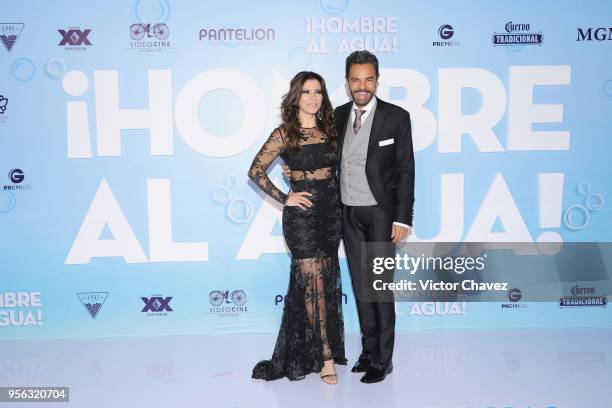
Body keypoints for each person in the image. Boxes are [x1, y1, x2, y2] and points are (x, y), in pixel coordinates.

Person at [284, 50, 415, 384]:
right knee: (360, 285)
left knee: (379, 287)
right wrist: (293, 170)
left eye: (368, 79)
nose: (362, 86)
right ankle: (368, 352)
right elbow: (316, 151)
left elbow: (405, 171)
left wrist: (403, 219)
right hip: (345, 213)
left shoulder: (396, 117)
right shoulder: (338, 116)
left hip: (382, 216)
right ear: (347, 83)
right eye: (355, 80)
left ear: (377, 80)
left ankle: (383, 360)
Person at [248, 71, 347, 385]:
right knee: (311, 284)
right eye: (306, 92)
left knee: (326, 282)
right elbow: (256, 170)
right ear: (296, 96)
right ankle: (325, 355)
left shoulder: (331, 130)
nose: (313, 97)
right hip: (302, 218)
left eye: (318, 91)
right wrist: (285, 197)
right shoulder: (284, 134)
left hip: (331, 215)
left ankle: (321, 350)